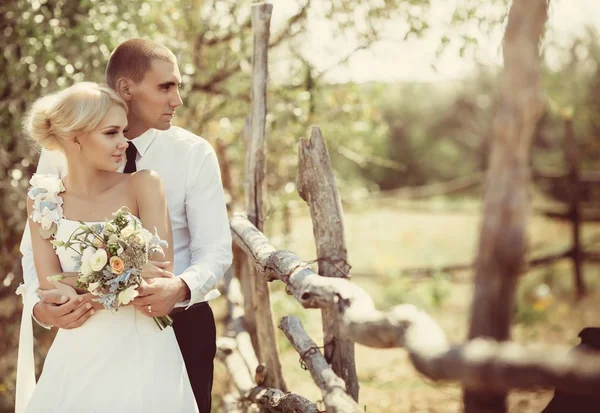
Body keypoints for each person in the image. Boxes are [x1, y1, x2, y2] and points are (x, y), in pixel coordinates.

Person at [17, 39, 232, 413]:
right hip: (85, 336)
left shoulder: (191, 154)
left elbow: (215, 249)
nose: (177, 99)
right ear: (126, 89)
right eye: (166, 86)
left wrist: (179, 286)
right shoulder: (58, 160)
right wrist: (42, 308)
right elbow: (36, 252)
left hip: (178, 323)